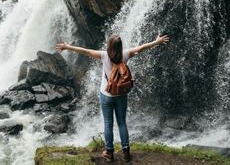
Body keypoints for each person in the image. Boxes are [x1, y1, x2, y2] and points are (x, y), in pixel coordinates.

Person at [56, 33, 170, 162]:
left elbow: (84, 51)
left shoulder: (104, 55)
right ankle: (126, 151)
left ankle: (109, 152)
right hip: (121, 94)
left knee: (108, 123)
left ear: (109, 46)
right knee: (122, 123)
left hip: (106, 95)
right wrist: (156, 42)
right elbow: (141, 48)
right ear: (120, 46)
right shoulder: (125, 54)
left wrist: (67, 47)